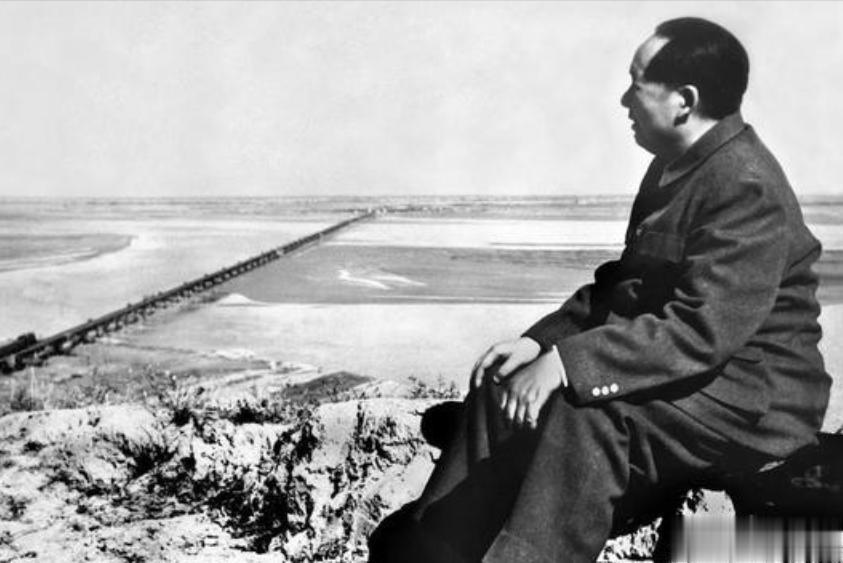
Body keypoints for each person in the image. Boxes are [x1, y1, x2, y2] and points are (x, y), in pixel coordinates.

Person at [369, 17, 830, 563]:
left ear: (684, 101)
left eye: (637, 85)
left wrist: (567, 366)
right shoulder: (675, 167)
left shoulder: (743, 183)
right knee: (505, 386)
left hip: (752, 400)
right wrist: (539, 345)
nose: (624, 100)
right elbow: (624, 286)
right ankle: (430, 545)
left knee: (586, 413)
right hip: (697, 375)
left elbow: (700, 330)